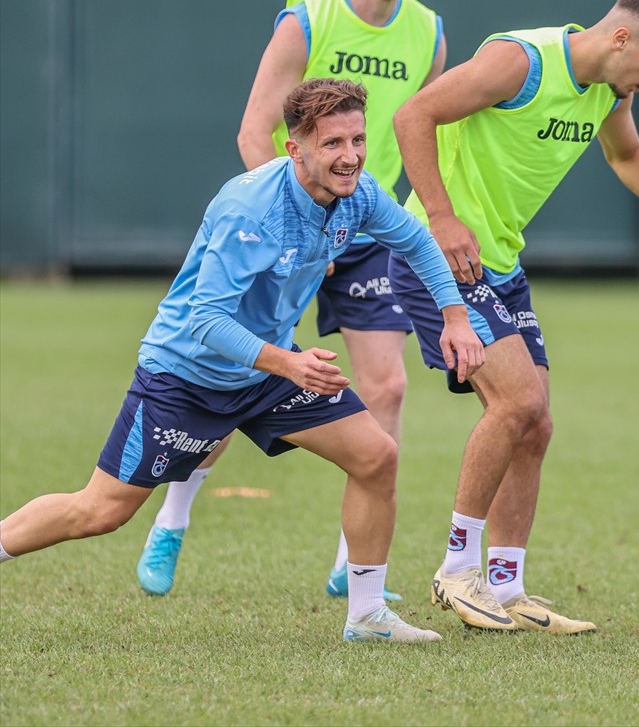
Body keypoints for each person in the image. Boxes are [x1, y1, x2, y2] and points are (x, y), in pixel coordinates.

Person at [0, 79, 484, 643]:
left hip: (268, 371)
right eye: (332, 144)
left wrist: (455, 317)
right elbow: (205, 323)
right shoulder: (248, 207)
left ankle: (367, 614)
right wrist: (288, 363)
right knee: (100, 511)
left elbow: (418, 242)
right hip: (185, 377)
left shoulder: (360, 194)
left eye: (357, 139)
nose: (350, 156)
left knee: (376, 457)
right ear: (294, 149)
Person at [137, 0, 445, 602]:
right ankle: (173, 519)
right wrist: (299, 225)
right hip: (287, 226)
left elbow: (425, 129)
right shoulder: (306, 19)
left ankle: (350, 564)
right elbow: (256, 132)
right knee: (231, 375)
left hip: (368, 223)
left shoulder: (429, 32)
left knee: (389, 386)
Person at [389, 0, 639, 634]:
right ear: (621, 39)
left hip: (500, 265)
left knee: (537, 426)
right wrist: (443, 217)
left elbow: (627, 154)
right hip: (438, 254)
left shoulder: (609, 91)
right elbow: (413, 116)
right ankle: (456, 569)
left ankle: (507, 587)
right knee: (518, 403)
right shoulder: (522, 61)